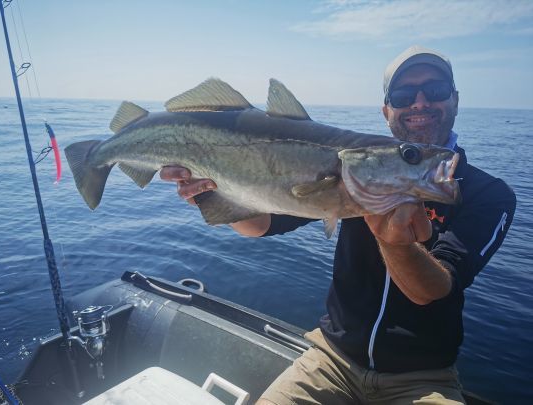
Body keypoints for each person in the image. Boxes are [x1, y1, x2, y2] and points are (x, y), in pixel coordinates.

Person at [160, 46, 516, 404]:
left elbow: (436, 289)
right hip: (330, 359)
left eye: (435, 90)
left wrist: (394, 242)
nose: (420, 103)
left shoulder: (489, 194)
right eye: (404, 95)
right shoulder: (357, 171)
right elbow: (262, 224)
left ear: (454, 100)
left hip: (423, 380)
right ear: (386, 111)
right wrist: (212, 191)